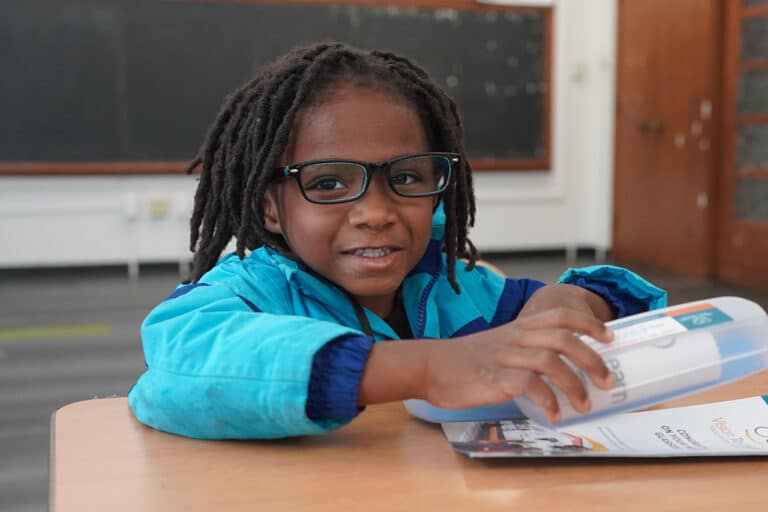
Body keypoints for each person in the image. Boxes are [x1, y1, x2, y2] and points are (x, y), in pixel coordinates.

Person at [128, 42, 666, 440]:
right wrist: (425, 368)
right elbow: (175, 367)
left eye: (406, 178)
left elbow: (616, 305)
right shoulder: (250, 293)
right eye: (328, 183)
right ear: (269, 206)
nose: (377, 213)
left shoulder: (459, 288)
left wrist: (569, 302)